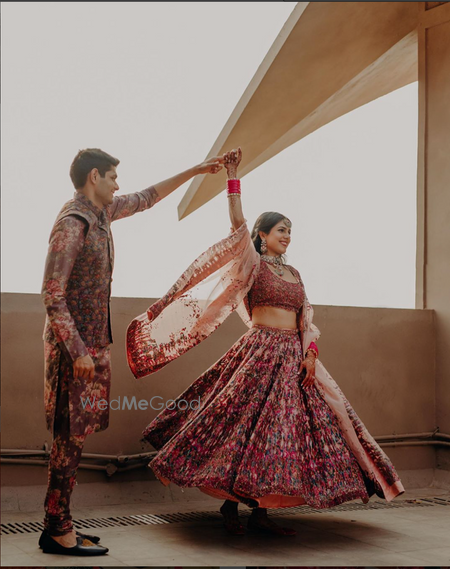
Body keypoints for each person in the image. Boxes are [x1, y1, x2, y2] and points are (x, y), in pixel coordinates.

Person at [126, 148, 404, 536]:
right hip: (257, 355)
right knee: (240, 429)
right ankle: (230, 506)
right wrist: (232, 179)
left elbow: (306, 317)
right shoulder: (252, 265)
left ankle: (261, 511)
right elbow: (237, 225)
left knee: (281, 436)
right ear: (262, 235)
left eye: (290, 231)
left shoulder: (294, 273)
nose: (287, 237)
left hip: (293, 359)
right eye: (280, 231)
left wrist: (310, 355)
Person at [40, 148, 225, 555]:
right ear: (94, 178)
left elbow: (147, 197)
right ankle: (57, 528)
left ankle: (59, 521)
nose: (118, 185)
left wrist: (196, 169)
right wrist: (77, 352)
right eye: (112, 178)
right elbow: (52, 293)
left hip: (92, 350)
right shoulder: (73, 224)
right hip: (76, 356)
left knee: (76, 440)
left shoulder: (101, 215)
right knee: (66, 441)